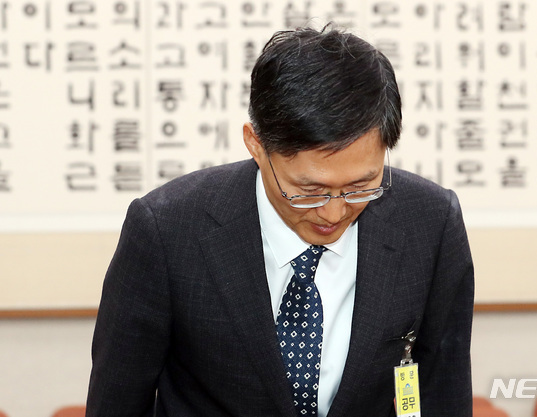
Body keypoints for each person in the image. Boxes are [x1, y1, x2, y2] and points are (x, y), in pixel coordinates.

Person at [86, 25, 474, 417]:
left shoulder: (431, 223)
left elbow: (444, 390)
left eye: (361, 186)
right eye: (308, 190)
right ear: (256, 144)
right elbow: (117, 401)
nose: (334, 212)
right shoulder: (167, 229)